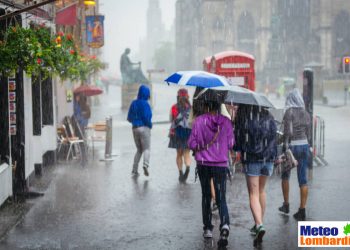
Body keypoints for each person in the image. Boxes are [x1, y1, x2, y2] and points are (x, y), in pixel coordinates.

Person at [188, 97, 234, 248]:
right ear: (220, 107)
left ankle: (208, 228)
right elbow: (231, 143)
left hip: (203, 164)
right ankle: (225, 224)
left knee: (206, 195)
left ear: (207, 106)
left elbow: (191, 143)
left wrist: (201, 144)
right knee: (221, 197)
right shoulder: (226, 122)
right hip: (220, 164)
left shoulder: (199, 121)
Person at [234, 105, 277, 247]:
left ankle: (259, 225)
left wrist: (238, 151)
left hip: (253, 158)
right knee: (261, 191)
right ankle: (259, 223)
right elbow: (274, 137)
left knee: (253, 193)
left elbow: (238, 138)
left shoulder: (245, 118)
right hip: (268, 159)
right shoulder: (269, 117)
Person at [279, 88, 311, 221]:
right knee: (303, 179)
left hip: (292, 147)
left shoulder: (289, 112)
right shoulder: (306, 113)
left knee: (285, 176)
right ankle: (302, 210)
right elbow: (308, 133)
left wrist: (284, 145)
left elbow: (288, 133)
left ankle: (286, 205)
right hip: (304, 146)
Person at [127, 85, 152, 177]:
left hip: (134, 128)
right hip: (144, 128)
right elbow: (147, 118)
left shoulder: (133, 103)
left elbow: (129, 118)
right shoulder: (146, 104)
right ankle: (145, 165)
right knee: (146, 149)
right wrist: (149, 125)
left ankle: (134, 170)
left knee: (139, 150)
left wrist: (135, 121)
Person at [168, 88, 192, 183]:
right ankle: (188, 167)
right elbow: (193, 121)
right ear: (187, 97)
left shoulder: (174, 107)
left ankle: (180, 172)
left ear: (178, 96)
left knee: (179, 154)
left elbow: (171, 120)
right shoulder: (191, 108)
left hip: (177, 133)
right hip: (188, 133)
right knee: (186, 153)